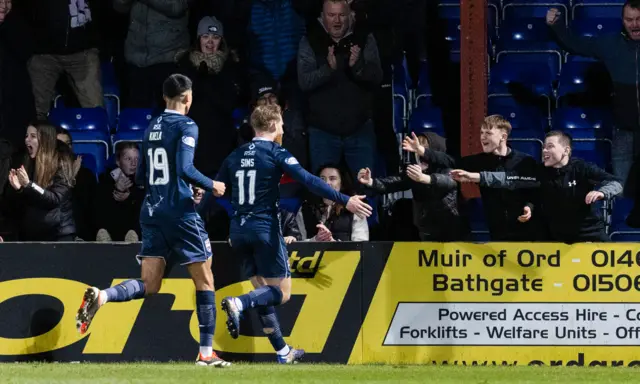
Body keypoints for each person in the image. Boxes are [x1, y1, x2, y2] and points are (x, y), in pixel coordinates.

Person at [75, 74, 229, 367]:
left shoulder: (152, 126)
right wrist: (211, 185)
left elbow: (145, 175)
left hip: (152, 210)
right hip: (179, 213)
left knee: (150, 283)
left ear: (164, 97)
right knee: (205, 281)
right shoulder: (186, 125)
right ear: (187, 97)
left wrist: (178, 185)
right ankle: (206, 353)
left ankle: (102, 296)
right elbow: (185, 167)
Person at [215, 104, 372, 363]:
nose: (284, 130)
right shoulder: (276, 152)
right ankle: (239, 304)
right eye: (283, 126)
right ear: (275, 125)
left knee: (262, 293)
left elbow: (218, 189)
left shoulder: (235, 155)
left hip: (238, 230)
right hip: (264, 229)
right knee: (281, 293)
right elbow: (309, 180)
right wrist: (347, 199)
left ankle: (283, 352)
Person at [451, 131, 623, 243]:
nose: (544, 151)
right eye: (543, 147)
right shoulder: (539, 171)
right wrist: (472, 176)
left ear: (566, 150)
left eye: (550, 146)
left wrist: (601, 192)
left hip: (589, 233)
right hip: (555, 238)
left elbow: (616, 183)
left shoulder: (583, 168)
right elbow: (508, 179)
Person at [402, 115, 540, 241]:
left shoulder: (525, 161)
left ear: (503, 137)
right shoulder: (479, 161)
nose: (483, 137)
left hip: (526, 229)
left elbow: (533, 188)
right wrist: (423, 151)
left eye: (488, 133)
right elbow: (450, 161)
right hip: (497, 230)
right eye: (481, 133)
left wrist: (529, 206)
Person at [6, 122, 78, 241]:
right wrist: (20, 189)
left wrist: (29, 185)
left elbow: (55, 199)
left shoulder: (62, 163)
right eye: (26, 136)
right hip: (34, 234)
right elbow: (27, 202)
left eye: (33, 136)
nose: (27, 140)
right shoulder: (28, 162)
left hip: (58, 235)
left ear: (45, 140)